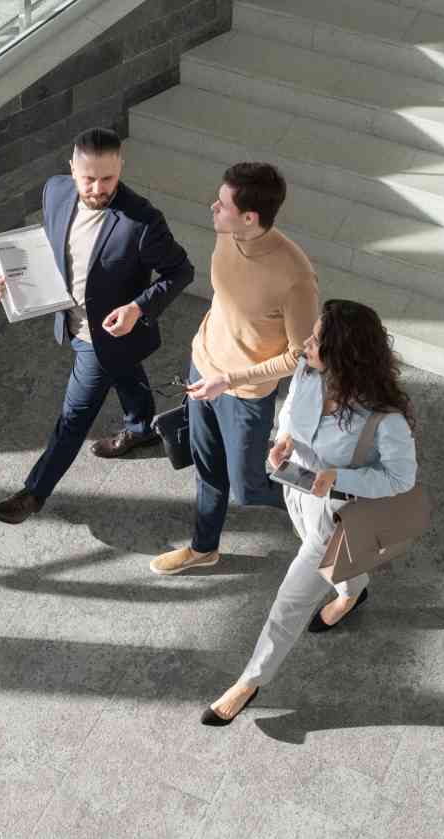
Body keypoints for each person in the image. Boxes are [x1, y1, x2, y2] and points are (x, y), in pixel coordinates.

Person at [200, 299, 419, 725]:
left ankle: (249, 681)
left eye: (317, 339)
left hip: (339, 513)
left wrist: (339, 477)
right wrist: (283, 439)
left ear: (344, 351)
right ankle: (353, 593)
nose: (307, 343)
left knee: (289, 604)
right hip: (296, 492)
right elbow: (291, 415)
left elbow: (400, 480)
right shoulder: (307, 371)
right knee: (331, 560)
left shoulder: (384, 420)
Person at [0, 127, 194, 524]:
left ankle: (34, 491)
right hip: (91, 327)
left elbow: (180, 271)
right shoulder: (55, 191)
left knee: (74, 415)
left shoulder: (143, 221)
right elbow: (48, 248)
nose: (99, 188)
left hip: (101, 336)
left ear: (121, 169)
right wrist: (10, 283)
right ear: (71, 169)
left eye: (109, 178)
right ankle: (140, 428)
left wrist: (137, 306)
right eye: (89, 178)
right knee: (126, 370)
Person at [149, 162, 319, 575]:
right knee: (207, 469)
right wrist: (207, 356)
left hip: (243, 393)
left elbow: (299, 354)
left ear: (250, 217)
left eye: (222, 204)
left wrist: (230, 378)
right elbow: (226, 300)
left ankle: (327, 495)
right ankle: (204, 548)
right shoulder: (226, 233)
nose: (213, 207)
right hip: (201, 370)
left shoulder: (295, 277)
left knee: (250, 487)